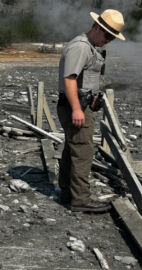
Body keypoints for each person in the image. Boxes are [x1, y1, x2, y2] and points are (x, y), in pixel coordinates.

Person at [57, 9, 125, 212]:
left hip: (80, 104)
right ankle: (81, 200)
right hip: (76, 106)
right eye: (108, 35)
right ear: (96, 27)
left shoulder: (89, 47)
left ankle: (68, 193)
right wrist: (77, 109)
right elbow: (69, 79)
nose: (109, 40)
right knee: (83, 151)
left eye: (113, 37)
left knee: (73, 149)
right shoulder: (81, 47)